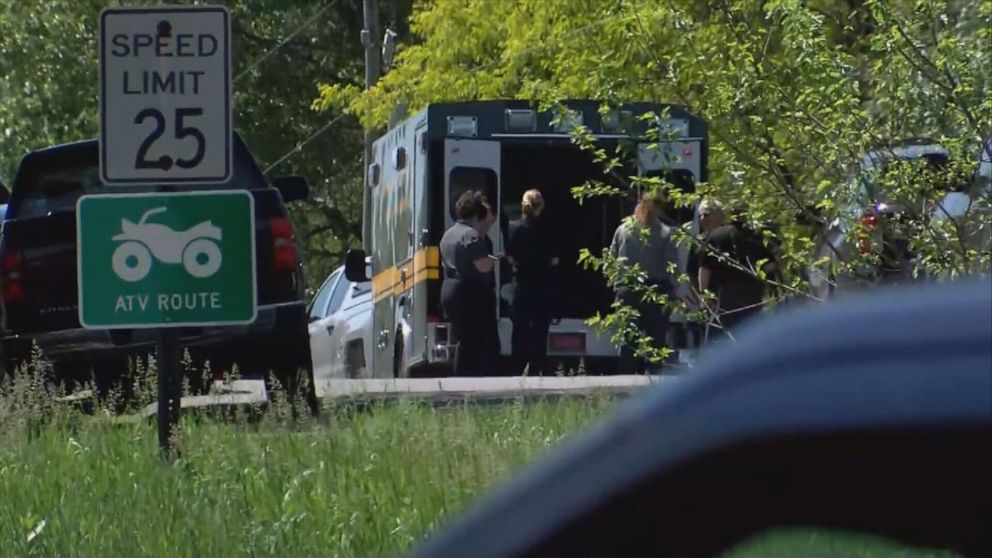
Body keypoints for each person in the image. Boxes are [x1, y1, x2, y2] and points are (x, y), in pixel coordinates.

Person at [609, 192, 679, 374]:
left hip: (627, 289)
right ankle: (654, 380)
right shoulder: (664, 232)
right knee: (656, 340)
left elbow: (611, 260)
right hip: (655, 290)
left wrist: (616, 285)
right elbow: (672, 266)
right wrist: (675, 291)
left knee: (628, 339)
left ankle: (624, 380)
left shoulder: (623, 229)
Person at [439, 190, 500, 376]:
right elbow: (482, 266)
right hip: (467, 292)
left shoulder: (448, 234)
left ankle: (460, 377)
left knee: (462, 338)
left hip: (449, 290)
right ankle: (466, 379)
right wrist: (496, 258)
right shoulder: (471, 235)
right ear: (477, 212)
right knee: (472, 341)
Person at [696, 199, 777, 340]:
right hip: (753, 296)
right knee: (751, 338)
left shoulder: (717, 235)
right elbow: (772, 265)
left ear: (729, 214)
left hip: (724, 297)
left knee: (721, 341)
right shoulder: (757, 237)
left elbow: (704, 269)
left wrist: (705, 296)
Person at [506, 189, 559, 376]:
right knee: (539, 331)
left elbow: (510, 257)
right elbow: (554, 260)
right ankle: (536, 369)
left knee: (519, 330)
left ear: (523, 205)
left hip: (521, 286)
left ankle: (516, 368)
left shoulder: (514, 228)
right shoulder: (548, 230)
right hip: (542, 287)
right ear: (541, 207)